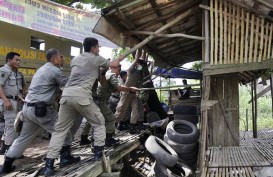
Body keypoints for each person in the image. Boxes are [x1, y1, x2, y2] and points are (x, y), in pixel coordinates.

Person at [44, 37, 125, 176]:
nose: (99, 49)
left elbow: (90, 71)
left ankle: (49, 165)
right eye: (98, 47)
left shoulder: (75, 59)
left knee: (59, 131)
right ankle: (98, 154)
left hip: (66, 96)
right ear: (93, 48)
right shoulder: (96, 58)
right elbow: (114, 63)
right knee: (99, 122)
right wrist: (121, 58)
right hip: (82, 96)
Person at [0, 49, 80, 174]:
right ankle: (63, 158)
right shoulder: (55, 70)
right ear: (54, 59)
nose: (63, 59)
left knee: (23, 138)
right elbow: (70, 86)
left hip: (28, 110)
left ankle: (6, 165)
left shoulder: (42, 69)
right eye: (61, 57)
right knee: (63, 131)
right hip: (42, 110)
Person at [80, 66, 139, 147]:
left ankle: (83, 137)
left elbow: (112, 89)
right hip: (100, 101)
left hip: (94, 100)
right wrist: (130, 89)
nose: (119, 71)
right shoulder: (112, 75)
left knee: (91, 120)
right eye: (119, 69)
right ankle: (108, 139)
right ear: (113, 68)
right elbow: (118, 87)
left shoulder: (106, 75)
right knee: (110, 118)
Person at [115, 50, 147, 134]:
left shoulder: (140, 73)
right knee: (121, 110)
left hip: (134, 94)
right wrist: (138, 48)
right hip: (126, 93)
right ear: (136, 64)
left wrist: (144, 50)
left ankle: (132, 127)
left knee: (135, 110)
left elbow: (143, 61)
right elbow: (137, 59)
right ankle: (114, 125)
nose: (141, 65)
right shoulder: (131, 70)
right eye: (139, 63)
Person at [0, 52, 25, 154]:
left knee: (14, 125)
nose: (18, 62)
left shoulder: (14, 72)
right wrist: (6, 100)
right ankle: (8, 151)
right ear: (9, 60)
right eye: (16, 60)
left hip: (15, 101)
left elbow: (16, 88)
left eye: (19, 60)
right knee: (11, 126)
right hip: (8, 102)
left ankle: (5, 148)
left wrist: (20, 97)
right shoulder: (4, 70)